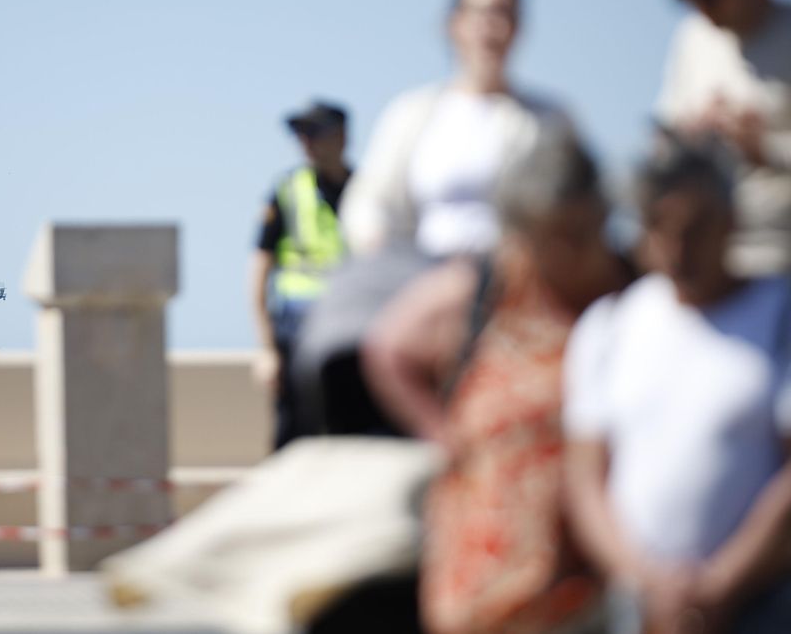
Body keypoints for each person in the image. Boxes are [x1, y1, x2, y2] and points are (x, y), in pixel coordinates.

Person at [361, 131, 630, 633]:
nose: (569, 254)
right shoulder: (490, 287)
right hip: (481, 585)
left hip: (592, 589)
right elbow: (387, 348)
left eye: (581, 233)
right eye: (552, 237)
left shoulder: (634, 291)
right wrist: (438, 432)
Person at [563, 140, 791, 634]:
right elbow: (585, 479)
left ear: (731, 221)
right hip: (638, 611)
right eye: (659, 227)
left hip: (763, 605)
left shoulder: (781, 314)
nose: (678, 248)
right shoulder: (609, 325)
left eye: (696, 228)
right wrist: (648, 583)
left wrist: (722, 583)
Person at [338, 0, 571, 260]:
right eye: (482, 13)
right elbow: (369, 205)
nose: (493, 27)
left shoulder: (549, 120)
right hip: (421, 277)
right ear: (454, 24)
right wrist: (385, 259)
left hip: (519, 279)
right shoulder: (411, 113)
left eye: (505, 13)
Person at [656, 0, 791, 277]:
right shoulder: (692, 40)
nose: (698, 7)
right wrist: (694, 135)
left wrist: (763, 147)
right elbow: (662, 143)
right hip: (707, 262)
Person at [251, 100, 350, 450]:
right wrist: (268, 350)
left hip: (349, 331)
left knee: (351, 435)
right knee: (292, 435)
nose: (305, 141)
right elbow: (259, 272)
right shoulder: (288, 191)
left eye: (314, 132)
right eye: (299, 133)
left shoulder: (369, 192)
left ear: (341, 137)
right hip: (295, 330)